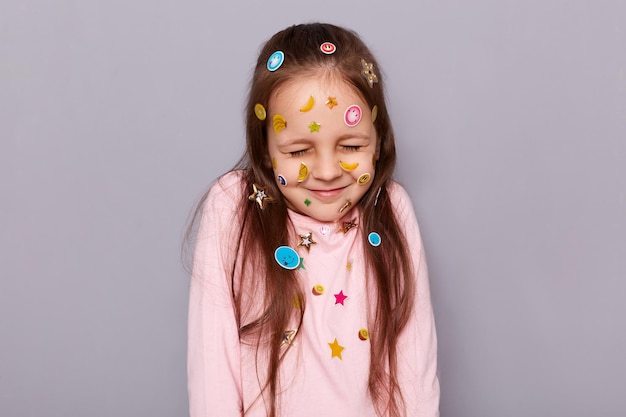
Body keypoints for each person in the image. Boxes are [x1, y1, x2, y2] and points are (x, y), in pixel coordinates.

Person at [187, 23, 439, 417]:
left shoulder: (391, 208)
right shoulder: (233, 206)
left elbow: (415, 362)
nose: (326, 171)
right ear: (266, 149)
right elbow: (211, 361)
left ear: (378, 141)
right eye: (300, 150)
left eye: (352, 146)